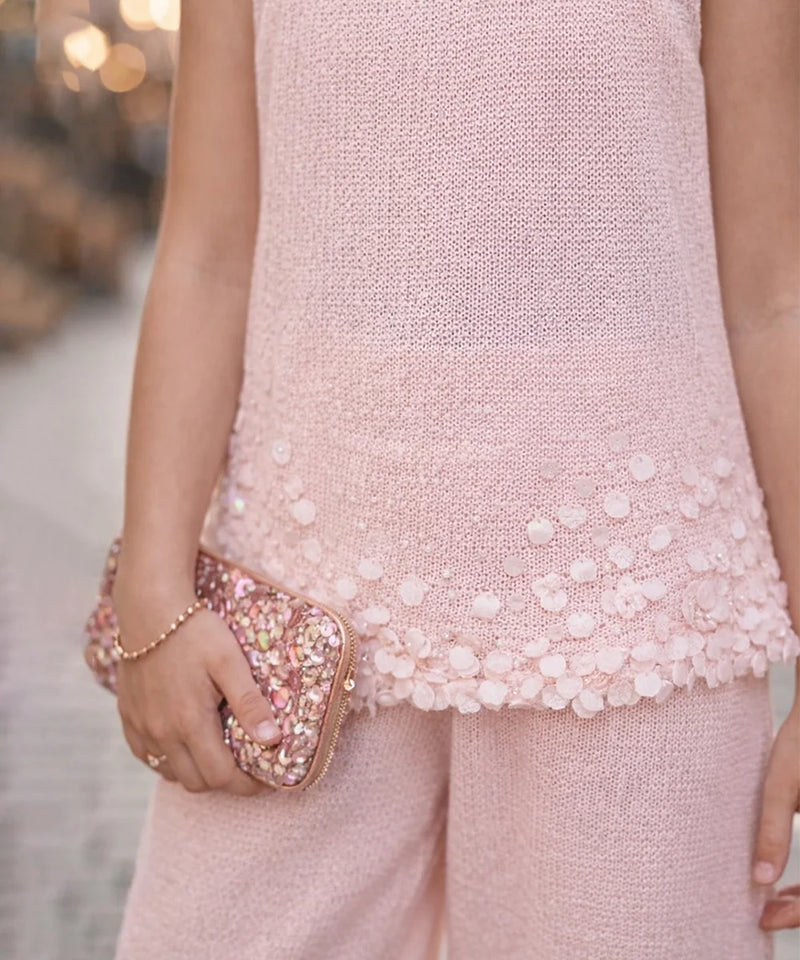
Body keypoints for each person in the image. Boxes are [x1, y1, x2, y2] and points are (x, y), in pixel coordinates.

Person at [107, 1, 799, 958]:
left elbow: (772, 296)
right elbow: (207, 257)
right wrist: (151, 593)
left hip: (639, 616)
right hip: (298, 622)